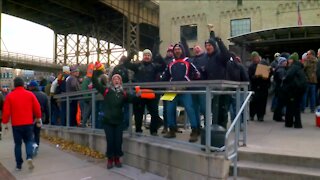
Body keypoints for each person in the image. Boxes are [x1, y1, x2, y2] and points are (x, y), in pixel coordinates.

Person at [92, 65, 139, 169]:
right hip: (108, 121)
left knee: (118, 141)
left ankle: (117, 159)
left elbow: (134, 100)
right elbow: (96, 83)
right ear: (111, 81)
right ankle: (110, 160)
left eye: (118, 79)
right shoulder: (107, 91)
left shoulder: (123, 93)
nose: (116, 80)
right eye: (114, 79)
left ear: (120, 82)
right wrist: (95, 71)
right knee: (110, 141)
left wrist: (138, 94)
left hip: (118, 122)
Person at [161, 43, 201, 142]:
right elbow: (165, 75)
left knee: (189, 108)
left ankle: (195, 130)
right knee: (169, 109)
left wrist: (190, 81)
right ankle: (172, 129)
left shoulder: (188, 61)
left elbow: (197, 74)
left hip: (185, 88)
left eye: (179, 49)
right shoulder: (171, 62)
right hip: (171, 89)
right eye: (175, 49)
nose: (177, 51)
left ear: (182, 50)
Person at [2, 77, 42, 170]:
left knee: (18, 144)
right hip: (28, 123)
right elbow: (37, 107)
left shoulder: (10, 96)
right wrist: (38, 117)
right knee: (29, 141)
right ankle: (29, 157)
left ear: (14, 85)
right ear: (23, 84)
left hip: (16, 124)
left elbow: (6, 112)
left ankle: (18, 165)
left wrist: (5, 122)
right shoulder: (30, 94)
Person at [124, 49, 165, 135]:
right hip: (140, 93)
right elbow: (126, 64)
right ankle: (138, 130)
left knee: (154, 113)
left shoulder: (154, 66)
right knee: (138, 113)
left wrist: (158, 54)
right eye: (145, 55)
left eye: (148, 55)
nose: (147, 56)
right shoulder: (137, 65)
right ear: (143, 56)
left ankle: (153, 131)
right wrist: (130, 55)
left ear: (151, 57)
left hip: (152, 93)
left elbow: (164, 66)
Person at [282, 53, 306, 128]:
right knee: (296, 107)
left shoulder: (293, 67)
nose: (288, 60)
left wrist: (284, 79)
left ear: (293, 60)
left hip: (293, 90)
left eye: (290, 59)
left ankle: (289, 123)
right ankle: (297, 123)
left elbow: (288, 76)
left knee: (290, 107)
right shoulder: (299, 67)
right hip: (299, 90)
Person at [28, 80, 49, 156]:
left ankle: (33, 145)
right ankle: (36, 146)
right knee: (37, 133)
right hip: (40, 117)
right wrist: (47, 119)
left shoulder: (29, 95)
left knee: (30, 133)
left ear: (31, 87)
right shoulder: (44, 95)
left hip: (29, 117)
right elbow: (47, 109)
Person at [248, 51, 271, 122]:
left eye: (256, 58)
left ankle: (260, 116)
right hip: (255, 86)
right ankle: (252, 115)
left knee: (262, 102)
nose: (255, 59)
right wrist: (256, 76)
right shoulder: (251, 66)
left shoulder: (264, 64)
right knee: (253, 102)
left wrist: (269, 73)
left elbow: (269, 75)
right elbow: (250, 77)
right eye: (254, 58)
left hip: (263, 86)